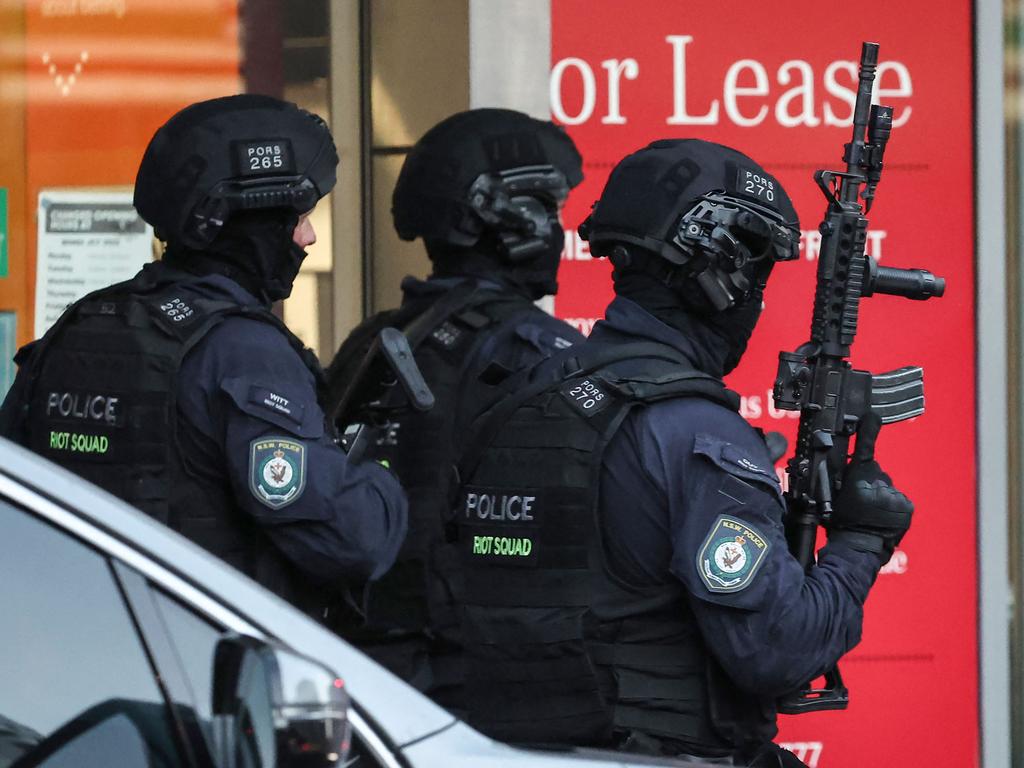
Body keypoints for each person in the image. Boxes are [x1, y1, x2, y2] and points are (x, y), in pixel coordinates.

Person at [452, 139, 913, 765]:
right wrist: (862, 543)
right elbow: (777, 650)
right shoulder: (693, 431)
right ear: (720, 272)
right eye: (759, 274)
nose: (759, 299)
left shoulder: (524, 393)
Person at [0, 95, 407, 614]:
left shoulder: (84, 323)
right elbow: (348, 542)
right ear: (242, 221)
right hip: (200, 665)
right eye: (297, 217)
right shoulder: (242, 351)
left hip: (73, 655)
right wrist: (381, 473)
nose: (306, 237)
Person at [323, 108, 585, 707]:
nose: (556, 229)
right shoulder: (537, 349)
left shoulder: (379, 337)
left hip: (370, 660)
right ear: (501, 215)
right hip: (481, 678)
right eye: (547, 208)